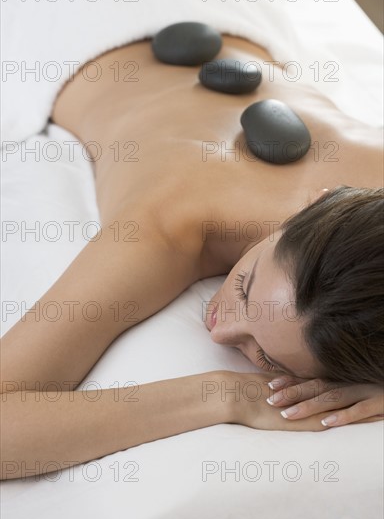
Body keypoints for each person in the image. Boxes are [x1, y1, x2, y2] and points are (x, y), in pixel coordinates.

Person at [1, 35, 383, 481]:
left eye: (267, 356)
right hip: (84, 33)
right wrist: (221, 396)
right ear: (311, 206)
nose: (221, 329)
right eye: (244, 286)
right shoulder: (170, 225)